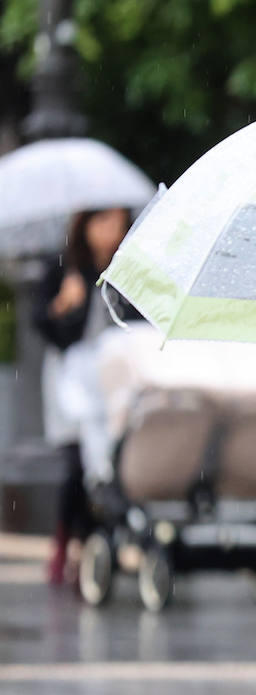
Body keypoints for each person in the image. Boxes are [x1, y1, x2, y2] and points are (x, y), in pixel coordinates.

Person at [32, 207, 135, 585]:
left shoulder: (130, 269)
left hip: (114, 383)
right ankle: (66, 541)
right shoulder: (65, 265)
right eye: (102, 221)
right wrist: (64, 304)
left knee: (106, 463)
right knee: (77, 461)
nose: (110, 230)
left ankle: (94, 546)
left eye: (117, 221)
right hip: (72, 380)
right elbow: (45, 325)